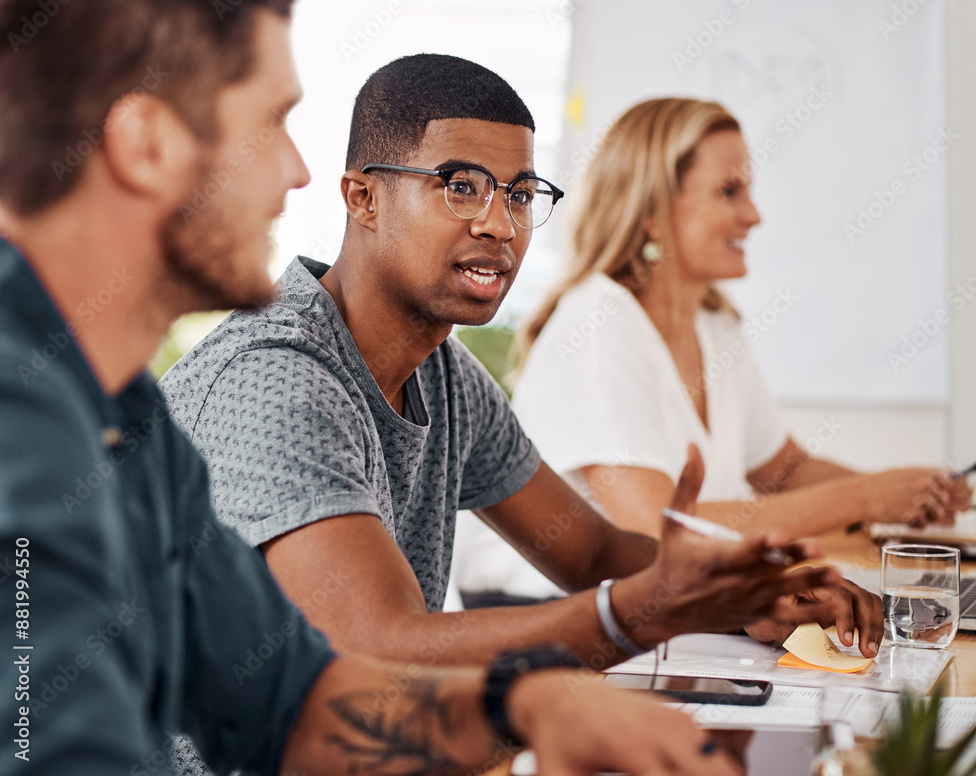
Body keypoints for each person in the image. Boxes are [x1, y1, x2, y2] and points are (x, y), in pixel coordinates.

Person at [0, 5, 745, 774]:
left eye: (519, 196)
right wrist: (625, 616)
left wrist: (523, 703)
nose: (297, 170)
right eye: (273, 122)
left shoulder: (124, 415)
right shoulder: (28, 425)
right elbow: (371, 645)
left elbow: (294, 707)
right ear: (146, 146)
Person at [160, 50, 881, 717]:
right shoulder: (276, 379)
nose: (500, 224)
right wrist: (647, 610)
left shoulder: (443, 375)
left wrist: (738, 591)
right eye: (460, 186)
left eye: (521, 193)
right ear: (362, 198)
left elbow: (591, 551)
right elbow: (378, 644)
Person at [453, 97, 971, 605]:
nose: (754, 215)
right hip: (544, 613)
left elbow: (782, 471)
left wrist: (907, 492)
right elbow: (655, 530)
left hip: (660, 605)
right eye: (730, 191)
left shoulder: (713, 322)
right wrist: (867, 498)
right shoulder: (599, 325)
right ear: (652, 210)